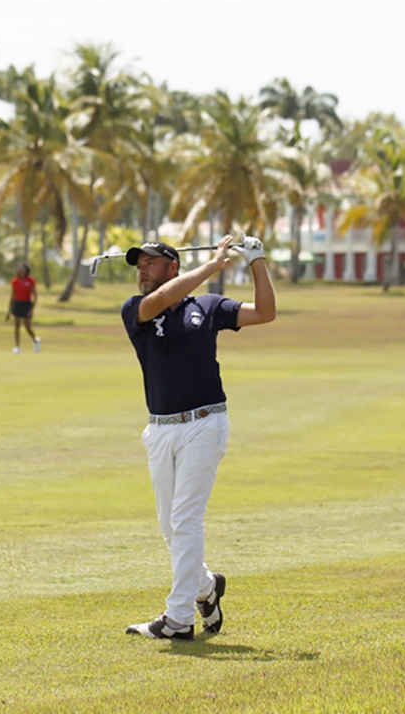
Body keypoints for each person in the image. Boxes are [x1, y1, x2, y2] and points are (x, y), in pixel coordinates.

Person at [121, 235, 276, 640]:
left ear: (173, 266)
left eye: (151, 263)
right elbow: (162, 299)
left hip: (205, 423)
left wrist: (256, 261)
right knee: (170, 528)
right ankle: (207, 587)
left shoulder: (207, 307)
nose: (142, 270)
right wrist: (211, 266)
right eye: (139, 265)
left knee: (186, 520)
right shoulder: (135, 310)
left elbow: (265, 312)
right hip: (159, 429)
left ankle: (177, 620)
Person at [5, 262, 41, 354]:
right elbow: (12, 296)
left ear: (26, 270)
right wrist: (9, 311)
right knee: (17, 325)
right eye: (19, 269)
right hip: (17, 303)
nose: (20, 271)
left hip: (27, 304)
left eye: (22, 269)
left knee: (27, 326)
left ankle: (35, 341)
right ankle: (17, 347)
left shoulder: (30, 281)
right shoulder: (15, 281)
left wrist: (32, 309)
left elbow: (35, 296)